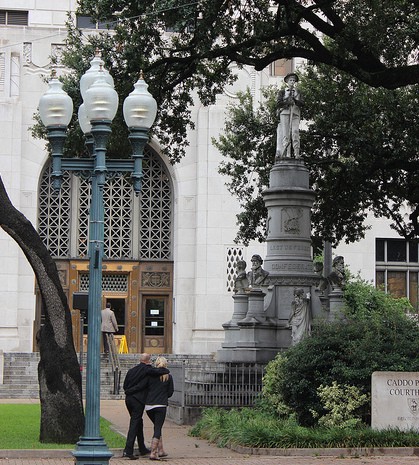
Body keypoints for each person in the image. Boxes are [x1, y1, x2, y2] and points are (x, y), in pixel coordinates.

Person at [123, 353, 170, 460]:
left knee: (138, 422)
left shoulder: (132, 370)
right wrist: (166, 369)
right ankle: (128, 450)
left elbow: (125, 385)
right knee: (135, 423)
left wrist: (128, 391)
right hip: (138, 400)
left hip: (128, 399)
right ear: (148, 361)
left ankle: (142, 447)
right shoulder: (147, 369)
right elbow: (163, 371)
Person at [145, 356, 174, 461]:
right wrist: (164, 395)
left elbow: (146, 388)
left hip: (149, 406)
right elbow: (170, 392)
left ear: (156, 364)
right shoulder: (168, 377)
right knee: (157, 428)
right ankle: (153, 452)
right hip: (161, 405)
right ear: (165, 364)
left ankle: (161, 450)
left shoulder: (150, 376)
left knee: (157, 426)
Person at [276, 72, 304, 159]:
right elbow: (278, 103)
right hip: (285, 113)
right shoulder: (282, 92)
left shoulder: (298, 92)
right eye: (290, 80)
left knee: (295, 132)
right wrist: (288, 102)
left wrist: (295, 101)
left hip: (295, 114)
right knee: (286, 133)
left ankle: (296, 153)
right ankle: (287, 153)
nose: (292, 82)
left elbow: (302, 103)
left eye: (293, 80)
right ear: (287, 81)